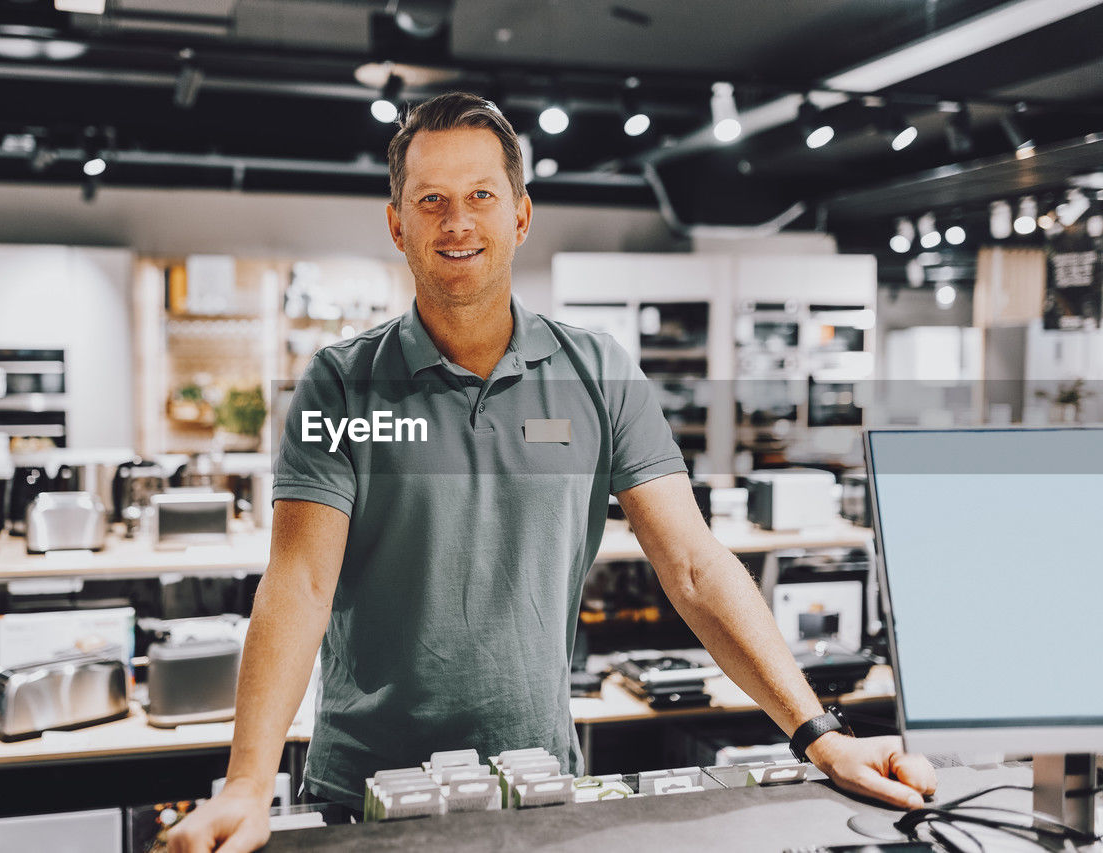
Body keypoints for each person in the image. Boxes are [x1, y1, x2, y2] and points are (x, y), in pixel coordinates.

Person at [168, 92, 936, 852]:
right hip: (366, 793)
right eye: (431, 200)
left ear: (521, 215)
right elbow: (299, 582)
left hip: (535, 786)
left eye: (481, 197)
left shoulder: (597, 371)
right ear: (397, 224)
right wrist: (244, 784)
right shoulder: (342, 383)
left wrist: (820, 734)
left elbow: (696, 566)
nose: (457, 222)